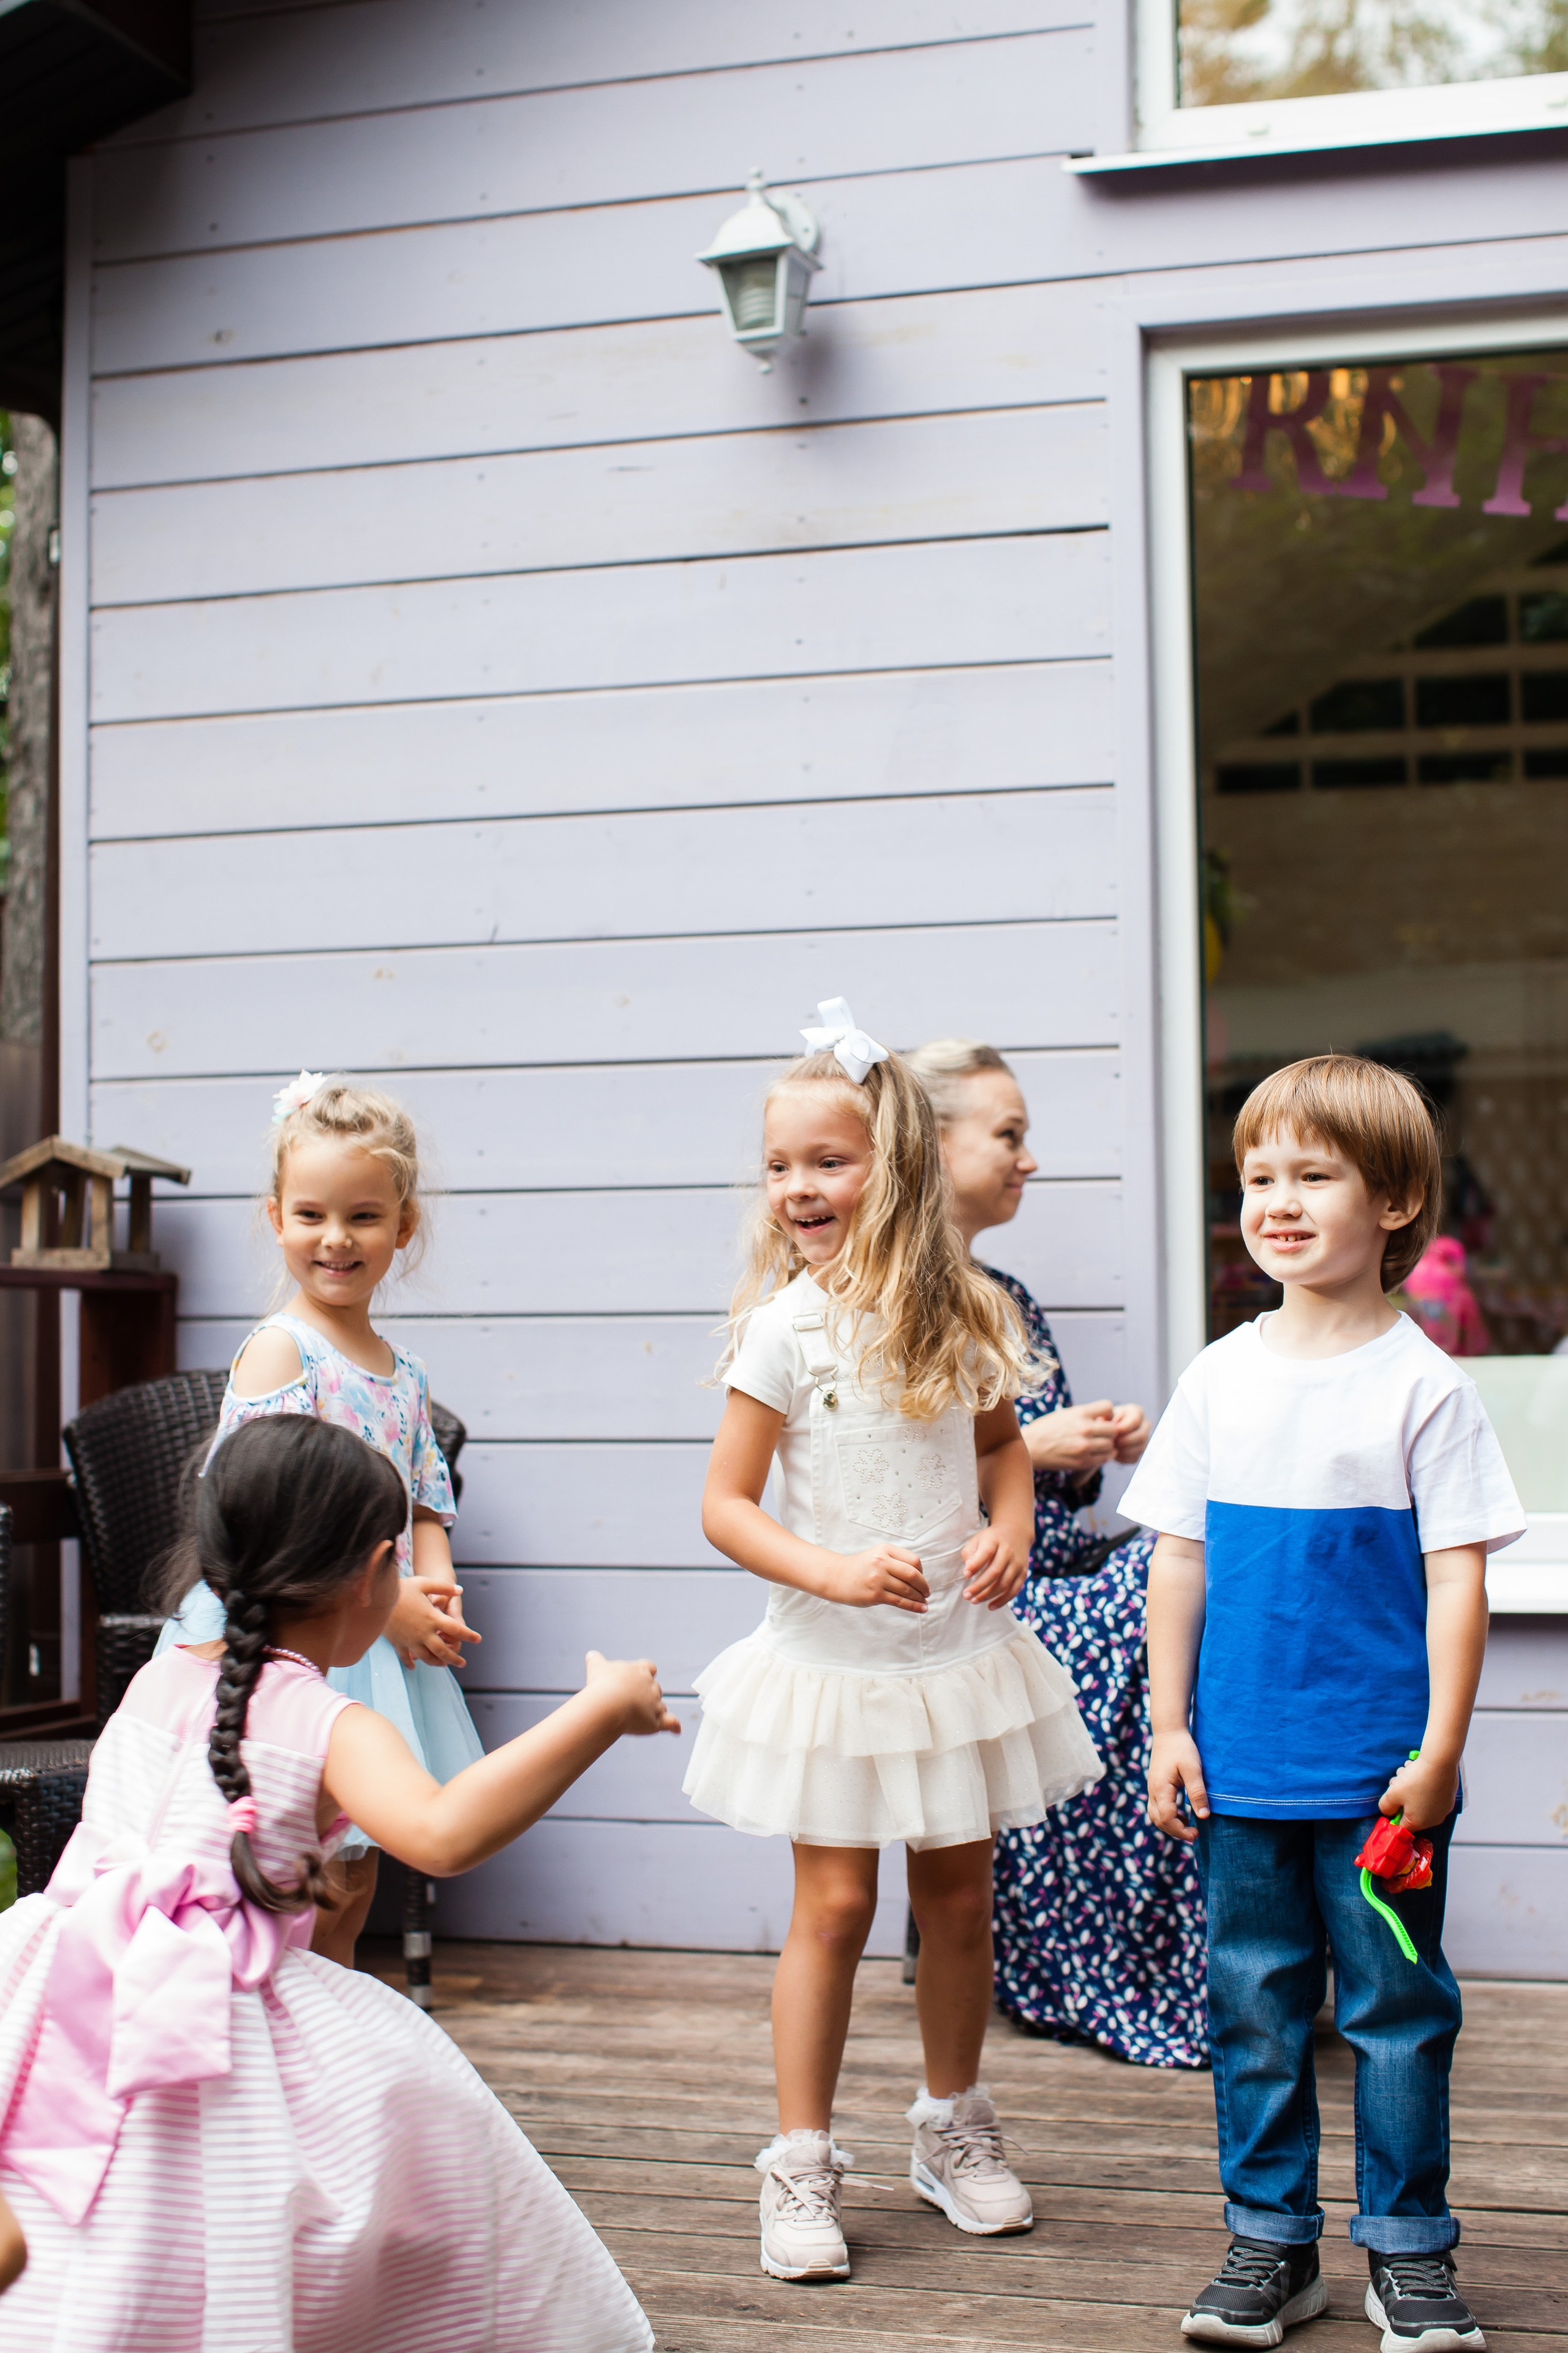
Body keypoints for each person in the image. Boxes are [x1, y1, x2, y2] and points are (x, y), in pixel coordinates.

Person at [0, 1413, 672, 2351]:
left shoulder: (154, 1683)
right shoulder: (327, 1721)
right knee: (400, 2150)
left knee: (86, 2202)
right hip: (210, 2014)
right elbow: (443, 1831)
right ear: (375, 1572)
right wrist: (599, 1712)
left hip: (60, 1977)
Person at [686, 998, 1104, 2284]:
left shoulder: (963, 1311)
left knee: (957, 1897)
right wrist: (825, 1568)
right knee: (833, 1903)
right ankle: (800, 2156)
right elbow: (724, 1506)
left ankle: (949, 2124)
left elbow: (996, 1451)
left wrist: (1014, 1526)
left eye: (829, 1158)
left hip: (951, 1659)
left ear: (897, 1165)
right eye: (779, 1165)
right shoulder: (784, 1330)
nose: (798, 1186)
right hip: (835, 1666)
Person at [1123, 1055, 1523, 2352]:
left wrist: (1442, 1751)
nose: (1276, 1200)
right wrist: (1167, 1726)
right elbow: (1175, 1559)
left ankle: (1407, 2251)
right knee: (1248, 2004)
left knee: (1396, 2014)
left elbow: (1455, 1583)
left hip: (1378, 1778)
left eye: (1312, 1174)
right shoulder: (1219, 1378)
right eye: (1256, 1176)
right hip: (1237, 1767)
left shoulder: (1424, 1388)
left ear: (1395, 1198)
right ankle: (1268, 2243)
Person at [908, 1038, 1208, 2069]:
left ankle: (1209, 1948)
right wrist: (1031, 1448)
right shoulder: (899, 1301)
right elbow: (884, 1482)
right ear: (934, 1145)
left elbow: (1049, 1485)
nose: (1029, 1158)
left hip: (1061, 1559)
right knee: (1146, 1617)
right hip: (978, 1592)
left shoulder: (1010, 1294)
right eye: (1010, 1135)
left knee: (1197, 1573)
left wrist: (1091, 1450)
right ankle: (1114, 1958)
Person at [158, 1072, 484, 1968]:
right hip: (298, 1634)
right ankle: (277, 2040)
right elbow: (257, 1513)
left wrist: (432, 1583)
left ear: (403, 1226)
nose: (336, 1239)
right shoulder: (281, 1351)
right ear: (276, 1218)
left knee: (356, 1878)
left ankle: (329, 2037)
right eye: (312, 1215)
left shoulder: (405, 1372)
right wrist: (388, 1603)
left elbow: (423, 1502)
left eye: (364, 1217)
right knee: (302, 1866)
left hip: (379, 1634)